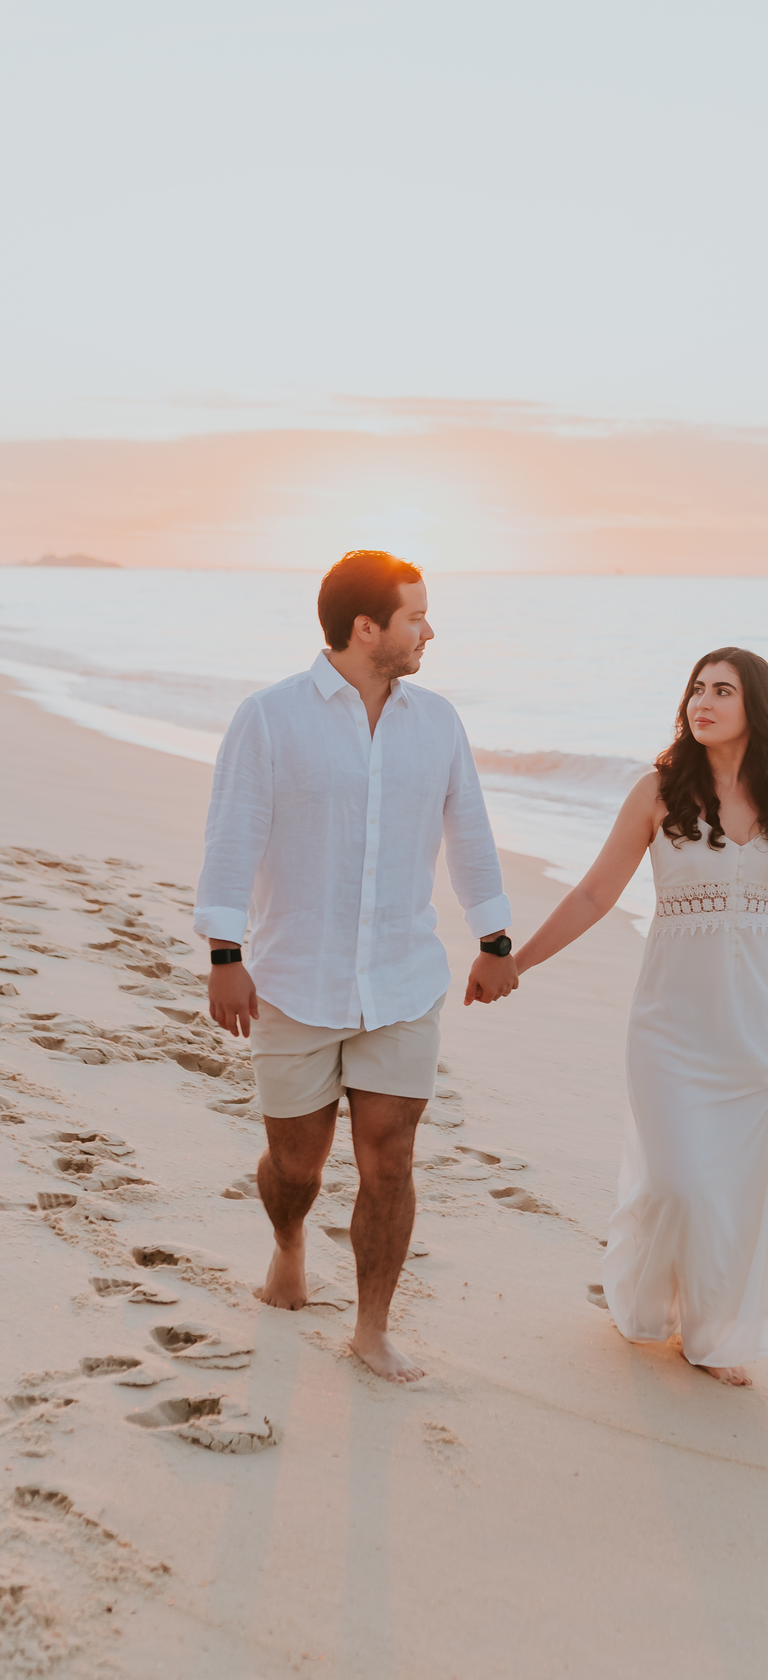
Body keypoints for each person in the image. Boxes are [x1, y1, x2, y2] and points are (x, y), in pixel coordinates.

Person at [195, 550, 518, 1383]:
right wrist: (224, 955)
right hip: (294, 980)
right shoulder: (269, 718)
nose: (429, 630)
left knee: (391, 1158)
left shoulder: (438, 721)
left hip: (405, 981)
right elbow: (232, 839)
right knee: (297, 1164)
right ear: (365, 628)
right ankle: (289, 1242)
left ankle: (372, 1329)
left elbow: (470, 833)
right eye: (416, 615)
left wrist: (494, 940)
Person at [514, 647, 768, 1386]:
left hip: (754, 1026)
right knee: (681, 1181)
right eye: (696, 689)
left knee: (736, 1188)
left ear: (758, 710)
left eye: (722, 691)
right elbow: (593, 894)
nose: (702, 702)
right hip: (672, 1026)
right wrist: (516, 963)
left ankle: (711, 1333)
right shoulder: (659, 791)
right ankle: (650, 1297)